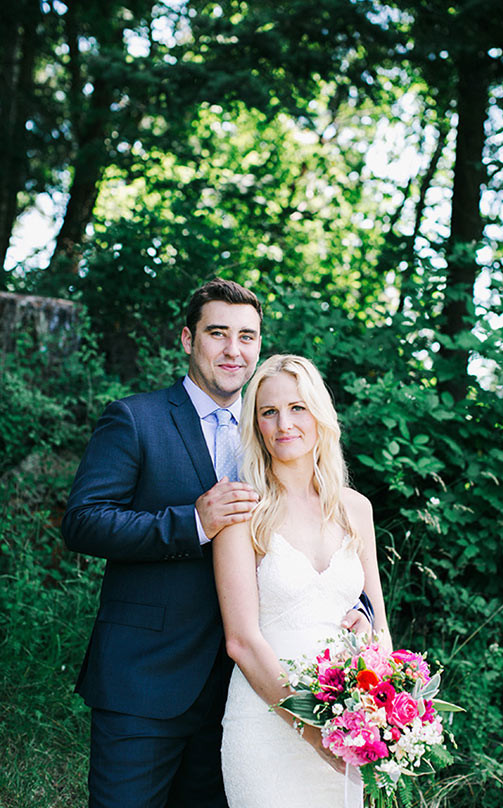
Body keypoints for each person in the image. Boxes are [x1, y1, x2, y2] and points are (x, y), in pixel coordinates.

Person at [61, 279, 370, 808]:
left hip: (242, 691)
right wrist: (193, 522)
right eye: (217, 333)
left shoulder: (270, 425)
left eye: (247, 337)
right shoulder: (137, 419)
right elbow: (83, 522)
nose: (233, 350)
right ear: (188, 338)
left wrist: (356, 604)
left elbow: (312, 537)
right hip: (147, 679)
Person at [214, 354, 392, 808]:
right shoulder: (241, 512)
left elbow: (380, 628)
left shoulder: (356, 509)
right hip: (265, 725)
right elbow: (241, 641)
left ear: (320, 415)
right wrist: (312, 732)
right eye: (268, 412)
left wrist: (377, 707)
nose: (284, 424)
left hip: (347, 727)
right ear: (255, 425)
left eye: (297, 408)